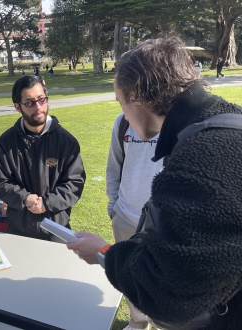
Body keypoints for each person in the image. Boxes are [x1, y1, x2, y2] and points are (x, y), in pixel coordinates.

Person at [67, 36, 242, 329]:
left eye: (120, 102)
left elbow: (167, 293)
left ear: (136, 96)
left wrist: (103, 253)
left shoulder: (199, 161)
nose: (123, 113)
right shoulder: (227, 121)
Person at [0, 75, 86, 241]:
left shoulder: (66, 141)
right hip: (19, 229)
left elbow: (74, 182)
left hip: (56, 229)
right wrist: (24, 198)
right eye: (30, 103)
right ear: (17, 107)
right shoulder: (6, 141)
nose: (38, 107)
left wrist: (47, 203)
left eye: (42, 99)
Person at [106, 114, 163, 330]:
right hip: (125, 215)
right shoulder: (122, 121)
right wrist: (114, 207)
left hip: (162, 223)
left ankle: (161, 324)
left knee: (160, 281)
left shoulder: (174, 118)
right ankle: (138, 322)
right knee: (129, 276)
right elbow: (115, 165)